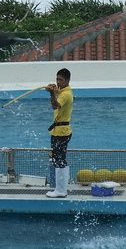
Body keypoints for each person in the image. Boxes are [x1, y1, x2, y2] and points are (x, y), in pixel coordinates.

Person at [45, 67, 73, 198]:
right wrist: (52, 89)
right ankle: (62, 187)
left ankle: (61, 191)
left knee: (59, 160)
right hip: (59, 131)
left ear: (67, 80)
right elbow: (57, 92)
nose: (58, 82)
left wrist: (51, 94)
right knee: (59, 159)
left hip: (61, 132)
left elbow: (55, 105)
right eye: (57, 79)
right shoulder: (62, 91)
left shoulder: (66, 94)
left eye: (60, 80)